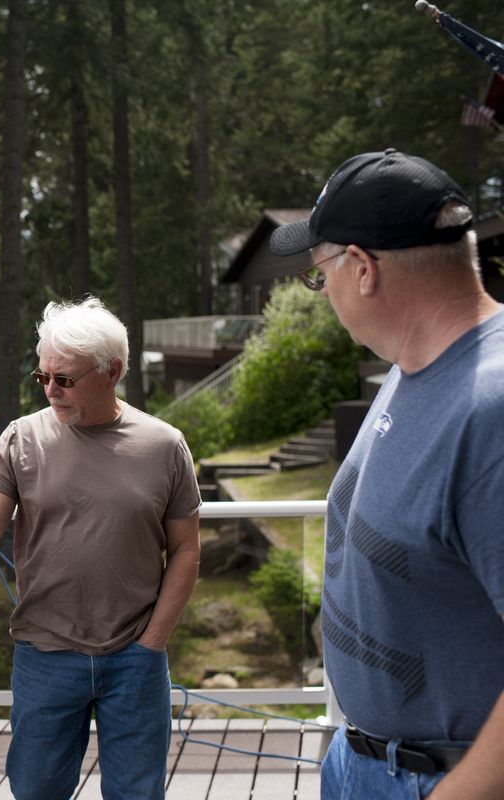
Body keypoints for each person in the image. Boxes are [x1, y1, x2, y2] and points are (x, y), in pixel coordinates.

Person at [0, 297, 201, 800]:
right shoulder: (21, 439)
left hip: (134, 657)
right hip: (45, 655)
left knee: (137, 793)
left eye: (64, 379)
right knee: (36, 789)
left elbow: (186, 550)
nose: (50, 390)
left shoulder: (163, 446)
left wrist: (152, 641)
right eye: (42, 377)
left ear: (111, 371)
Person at [268, 148, 504, 800]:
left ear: (364, 270)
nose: (325, 296)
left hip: (444, 778)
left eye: (321, 277)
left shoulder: (491, 408)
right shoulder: (413, 364)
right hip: (367, 759)